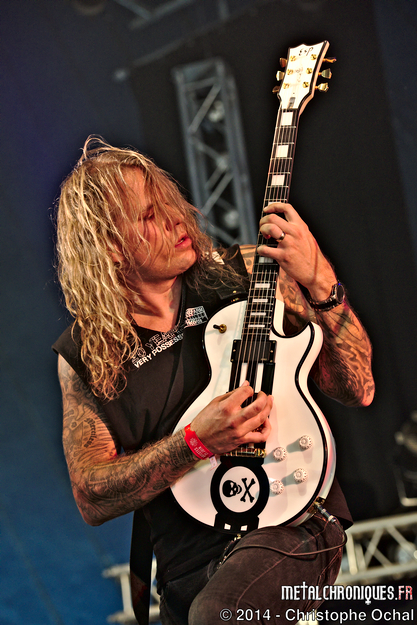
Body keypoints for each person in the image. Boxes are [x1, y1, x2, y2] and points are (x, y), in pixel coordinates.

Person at [53, 136, 374, 625]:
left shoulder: (247, 274)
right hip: (185, 567)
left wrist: (320, 281)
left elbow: (358, 389)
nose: (177, 219)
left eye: (171, 203)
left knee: (218, 615)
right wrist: (193, 443)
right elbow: (92, 497)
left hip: (292, 520)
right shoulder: (88, 353)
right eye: (149, 215)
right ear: (110, 248)